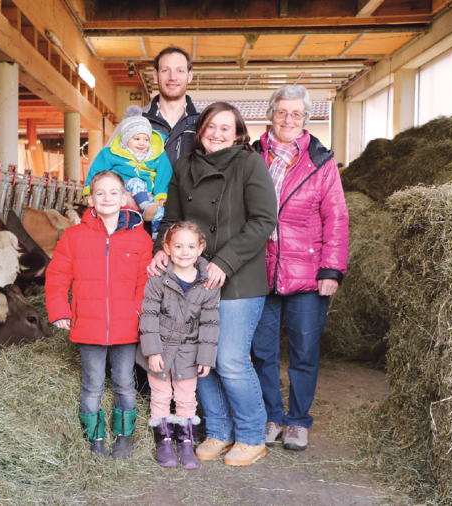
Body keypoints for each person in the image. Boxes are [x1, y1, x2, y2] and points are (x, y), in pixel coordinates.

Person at [147, 102, 277, 466]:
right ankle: (218, 432)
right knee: (196, 356)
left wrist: (224, 261)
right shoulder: (185, 167)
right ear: (200, 130)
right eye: (210, 127)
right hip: (193, 275)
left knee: (230, 359)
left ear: (238, 134)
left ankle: (251, 436)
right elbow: (172, 218)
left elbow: (264, 220)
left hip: (238, 276)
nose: (217, 134)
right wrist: (161, 249)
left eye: (225, 128)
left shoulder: (250, 163)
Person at [250, 85, 349, 452]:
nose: (288, 120)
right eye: (281, 112)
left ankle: (297, 421)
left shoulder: (321, 162)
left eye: (296, 114)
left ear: (305, 118)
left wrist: (331, 269)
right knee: (262, 350)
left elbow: (336, 217)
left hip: (308, 273)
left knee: (304, 350)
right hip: (259, 271)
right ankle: (272, 416)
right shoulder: (252, 156)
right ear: (270, 115)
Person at [45, 170, 152, 458]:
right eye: (100, 193)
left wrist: (138, 312)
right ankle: (95, 440)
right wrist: (59, 310)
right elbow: (56, 276)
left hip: (127, 325)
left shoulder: (140, 239)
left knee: (125, 382)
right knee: (92, 384)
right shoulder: (74, 235)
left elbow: (146, 281)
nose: (107, 198)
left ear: (124, 198)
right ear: (90, 199)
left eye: (113, 192)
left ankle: (124, 436)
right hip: (88, 324)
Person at [137, 221, 220, 469]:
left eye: (191, 246)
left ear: (200, 248)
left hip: (190, 350)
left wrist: (206, 356)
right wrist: (152, 351)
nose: (185, 252)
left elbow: (210, 322)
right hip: (161, 346)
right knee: (161, 395)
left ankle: (185, 441)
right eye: (179, 246)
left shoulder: (208, 283)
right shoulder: (158, 278)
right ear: (167, 248)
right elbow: (149, 315)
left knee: (186, 397)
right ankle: (163, 440)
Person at [84, 105, 173, 238]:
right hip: (123, 186)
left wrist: (160, 194)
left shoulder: (157, 155)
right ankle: (144, 208)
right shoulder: (111, 154)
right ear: (126, 139)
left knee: (160, 211)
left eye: (146, 139)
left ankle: (156, 237)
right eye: (136, 139)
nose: (142, 143)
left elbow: (164, 174)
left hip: (147, 193)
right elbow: (96, 171)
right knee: (136, 182)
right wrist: (89, 189)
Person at [143, 46, 201, 166]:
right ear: (155, 75)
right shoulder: (137, 119)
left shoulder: (204, 121)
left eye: (180, 70)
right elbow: (105, 166)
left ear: (189, 76)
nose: (172, 77)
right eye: (165, 70)